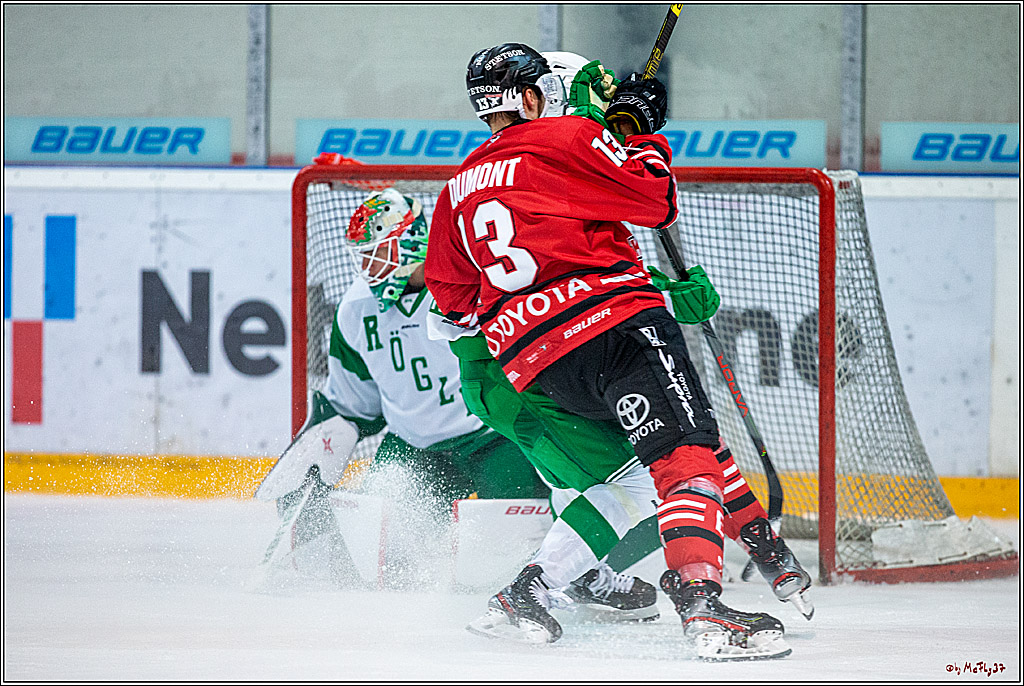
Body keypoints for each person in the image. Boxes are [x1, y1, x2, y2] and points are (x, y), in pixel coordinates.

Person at [424, 43, 799, 660]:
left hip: (536, 366)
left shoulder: (458, 185)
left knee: (630, 479)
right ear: (527, 97)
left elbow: (455, 292)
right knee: (683, 455)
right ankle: (702, 604)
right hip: (617, 334)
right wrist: (641, 134)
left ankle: (534, 586)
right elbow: (654, 199)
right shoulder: (567, 137)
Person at [255, 186, 659, 610]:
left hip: (493, 440)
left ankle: (586, 578)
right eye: (364, 257)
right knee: (385, 562)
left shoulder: (464, 283)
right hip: (414, 448)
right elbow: (352, 403)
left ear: (412, 243)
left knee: (532, 536)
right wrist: (323, 445)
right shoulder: (354, 310)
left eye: (378, 253)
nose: (368, 269)